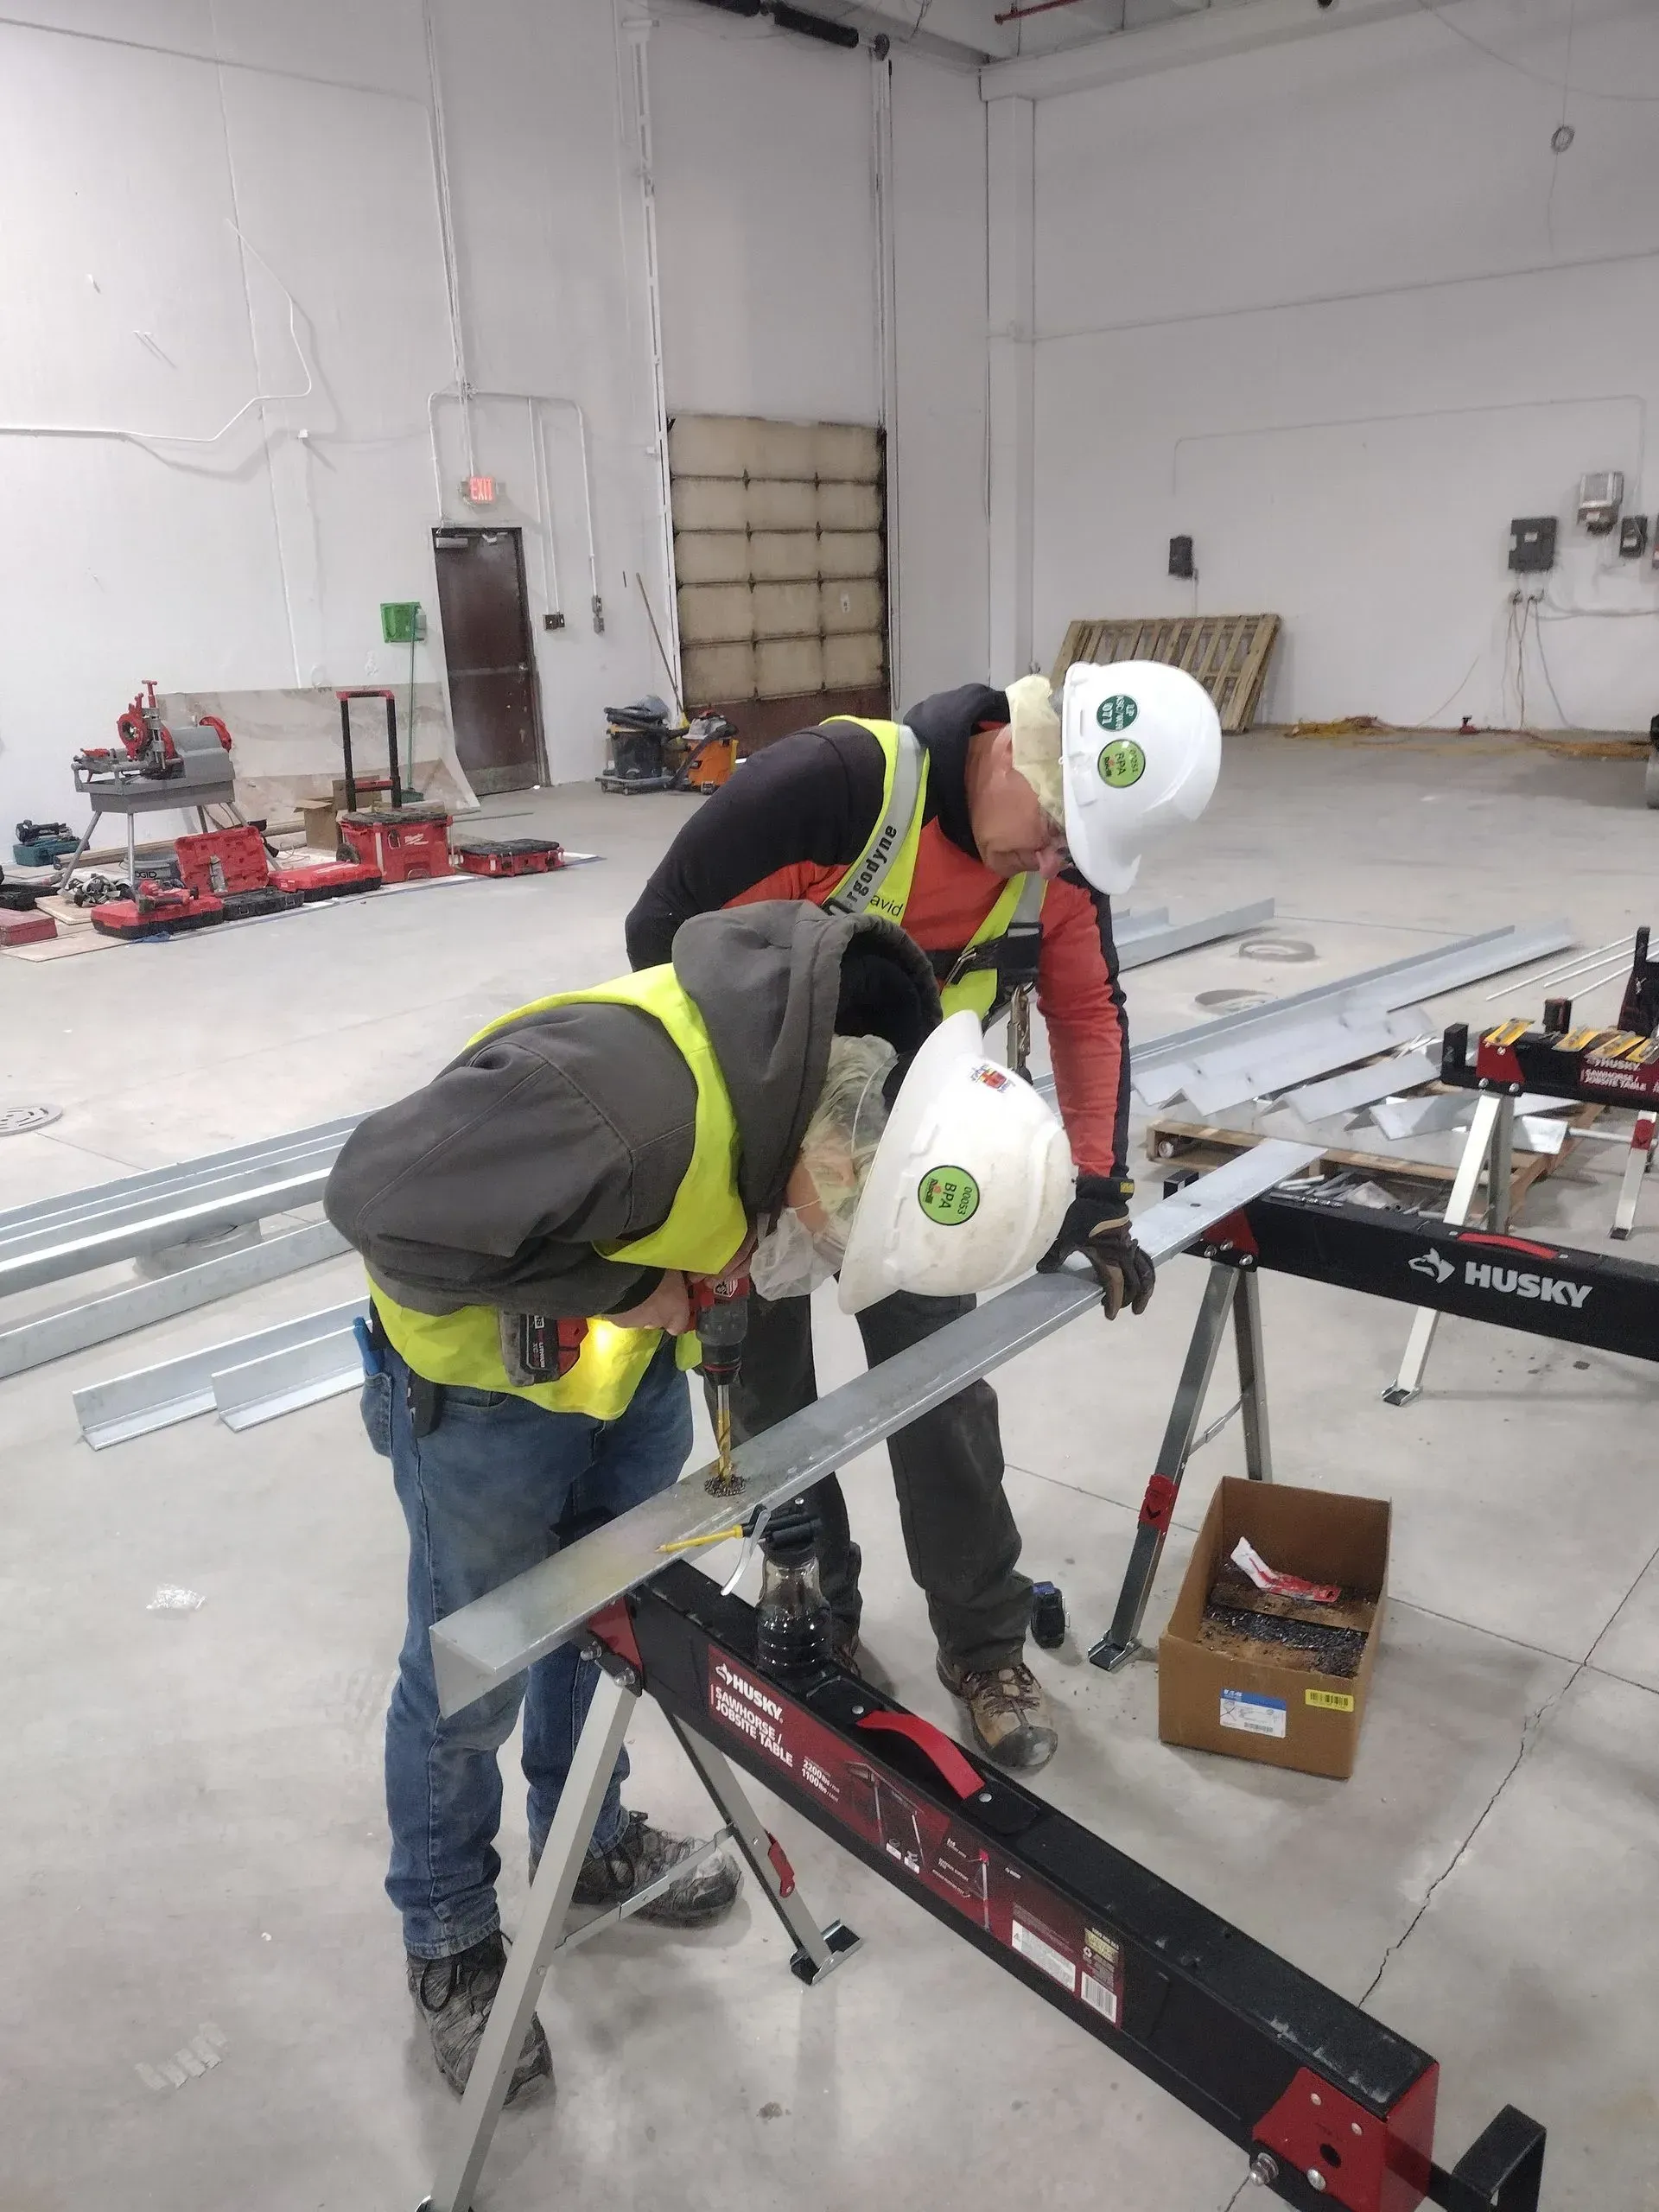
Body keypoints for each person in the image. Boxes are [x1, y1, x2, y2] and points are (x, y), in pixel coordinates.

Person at [323, 899, 1072, 2104]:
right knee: (475, 1668)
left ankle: (589, 1840)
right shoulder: (620, 1106)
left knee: (600, 1617)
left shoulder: (816, 1096)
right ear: (842, 1159)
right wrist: (627, 1288)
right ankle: (450, 1934)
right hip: (478, 1400)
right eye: (842, 1234)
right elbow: (374, 1201)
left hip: (615, 1382)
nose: (826, 1259)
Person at [626, 662, 1221, 1770]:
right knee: (764, 1389)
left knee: (940, 1384)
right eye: (1057, 828)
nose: (1055, 864)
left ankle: (983, 1643)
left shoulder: (1058, 868)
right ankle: (820, 1608)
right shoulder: (836, 789)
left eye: (1077, 850)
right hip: (755, 1135)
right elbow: (659, 935)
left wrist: (1096, 1193)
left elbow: (1088, 1016)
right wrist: (787, 1139)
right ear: (1016, 748)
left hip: (918, 1144)